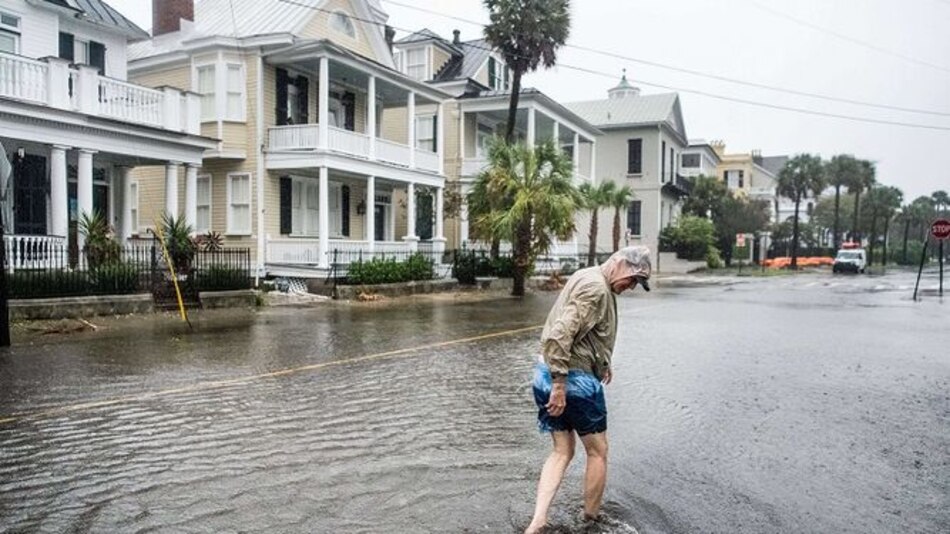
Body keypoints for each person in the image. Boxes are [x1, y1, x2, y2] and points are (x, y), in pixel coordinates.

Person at [525, 246, 652, 534]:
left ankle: (537, 523)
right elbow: (560, 334)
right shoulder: (596, 289)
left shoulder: (588, 276)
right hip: (572, 381)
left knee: (561, 451)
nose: (630, 287)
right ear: (619, 264)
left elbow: (587, 331)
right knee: (598, 453)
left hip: (544, 373)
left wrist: (602, 362)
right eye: (632, 279)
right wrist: (560, 385)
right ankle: (591, 522)